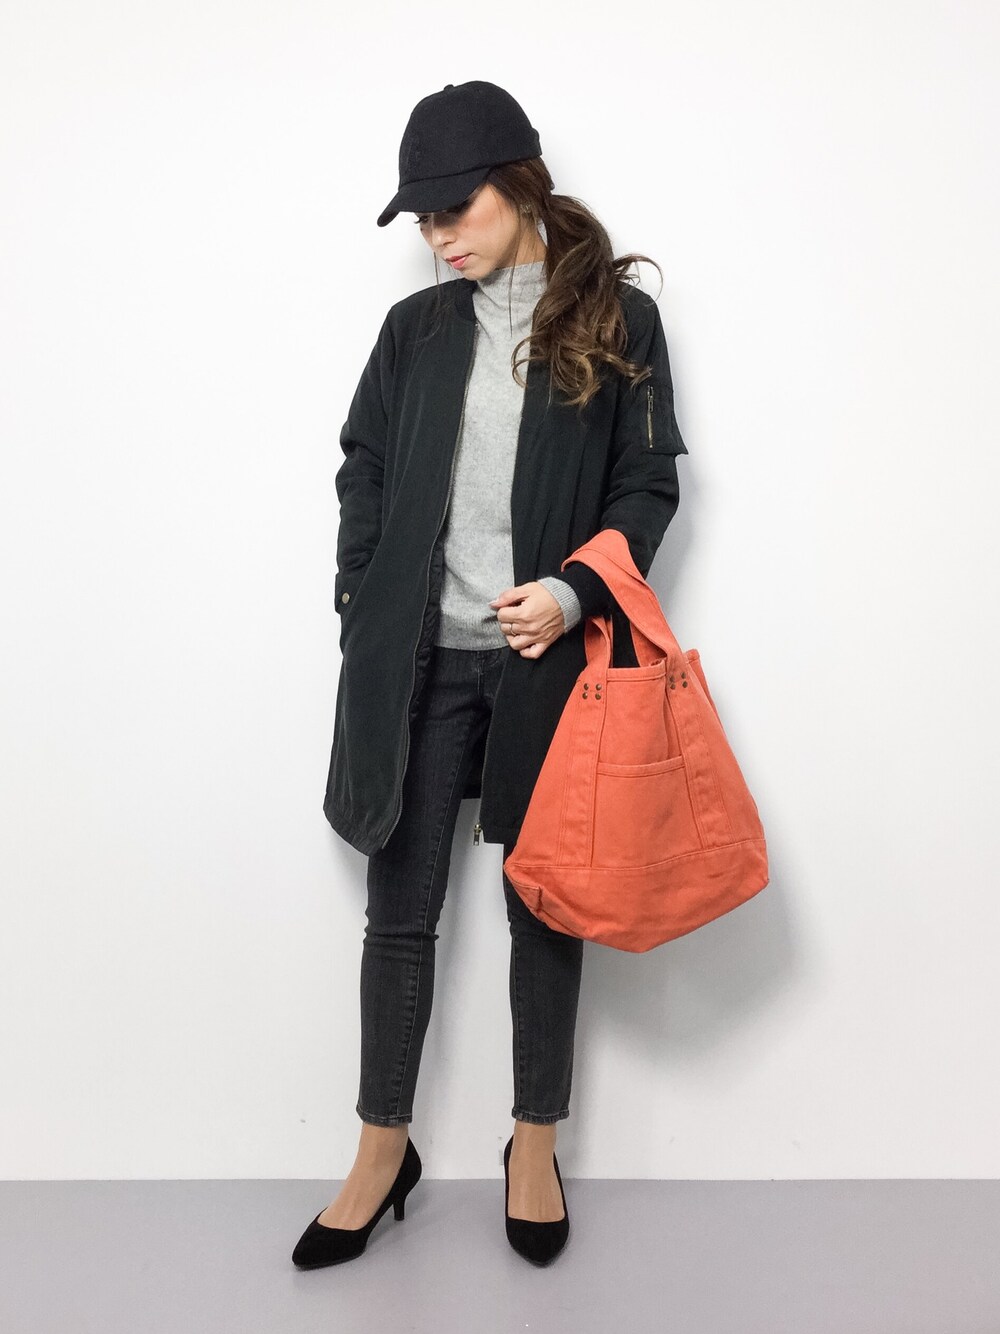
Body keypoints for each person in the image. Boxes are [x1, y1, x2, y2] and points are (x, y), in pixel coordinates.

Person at [292, 79, 688, 1271]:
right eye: (421, 220)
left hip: (547, 667)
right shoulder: (413, 330)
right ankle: (381, 1151)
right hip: (415, 664)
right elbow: (361, 466)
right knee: (398, 914)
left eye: (453, 209)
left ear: (519, 186)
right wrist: (362, 592)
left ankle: (533, 1143)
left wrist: (572, 591)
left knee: (544, 906)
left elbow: (647, 484)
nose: (438, 236)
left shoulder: (616, 320)